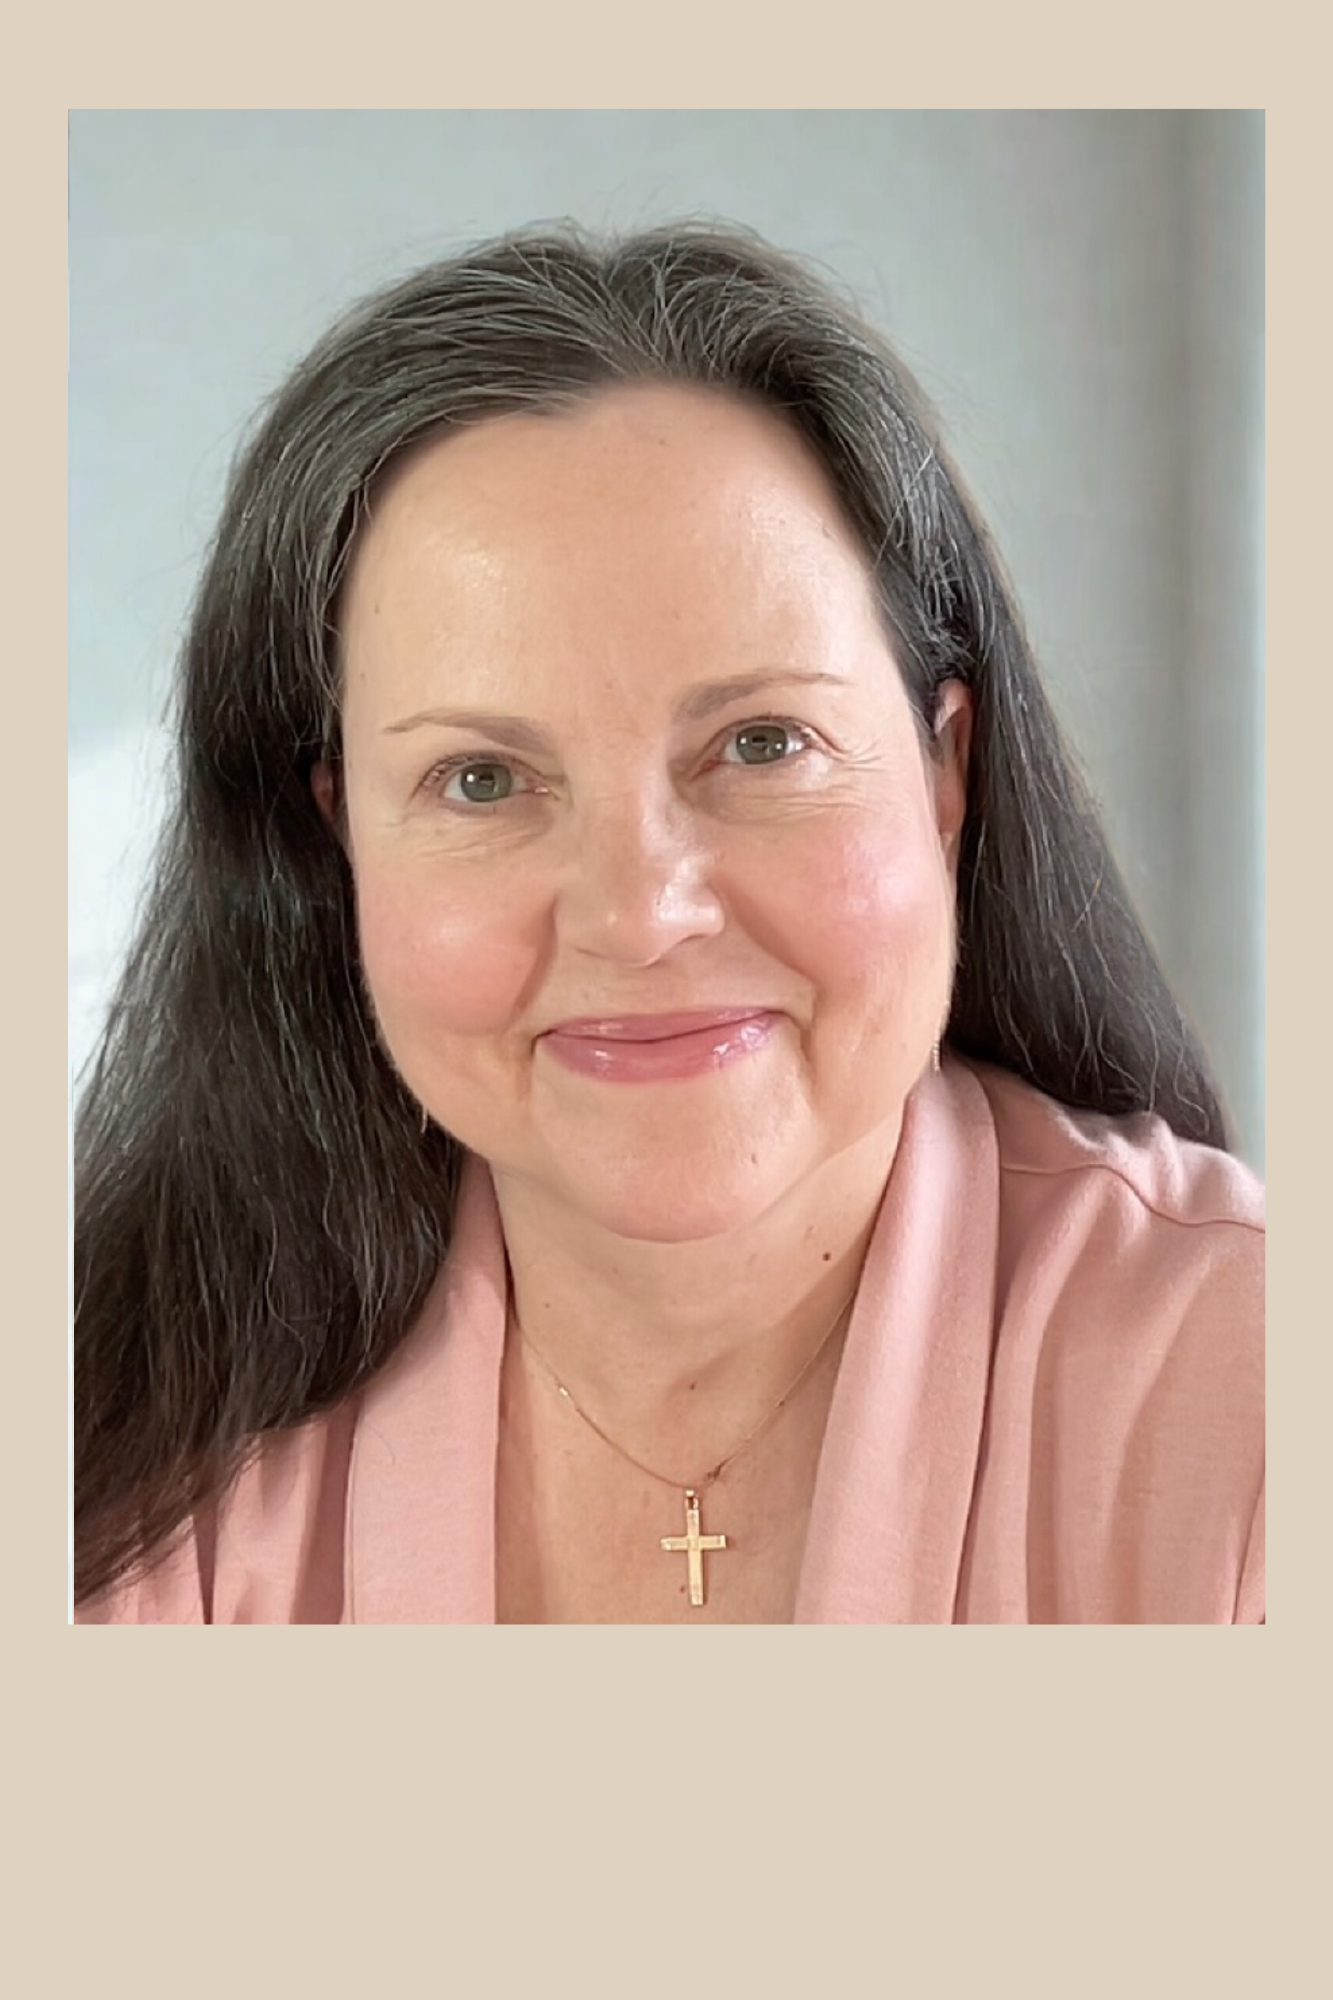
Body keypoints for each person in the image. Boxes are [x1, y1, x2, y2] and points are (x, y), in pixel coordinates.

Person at [73, 221, 1263, 1625]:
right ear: (338, 844)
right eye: (481, 778)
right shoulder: (107, 1458)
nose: (641, 915)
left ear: (946, 772)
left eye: (762, 744)